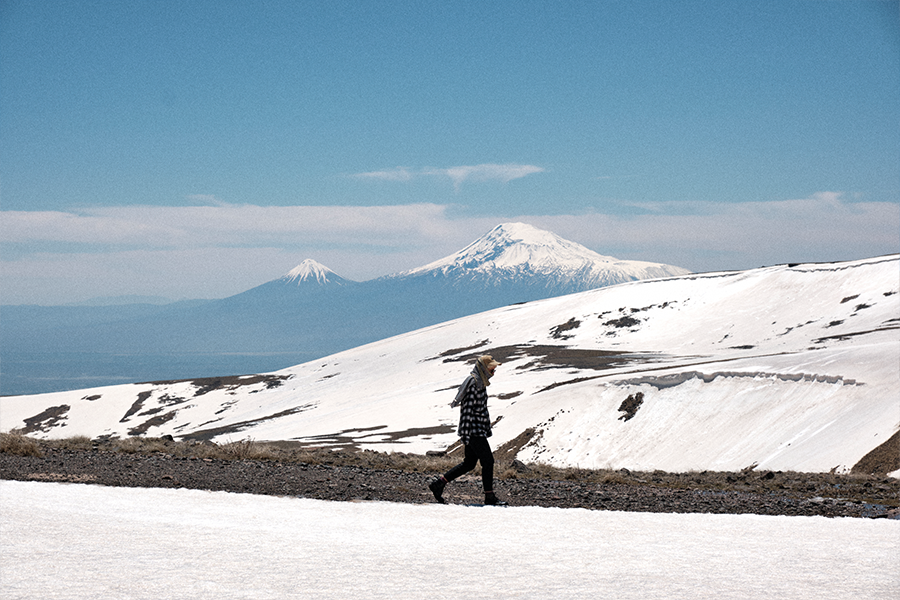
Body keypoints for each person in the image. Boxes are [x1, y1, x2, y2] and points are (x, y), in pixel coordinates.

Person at [429, 355, 507, 506]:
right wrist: (465, 435)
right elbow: (467, 411)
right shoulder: (475, 383)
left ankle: (439, 484)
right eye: (491, 368)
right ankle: (489, 497)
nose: (494, 370)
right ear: (483, 368)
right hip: (473, 431)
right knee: (488, 461)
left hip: (476, 430)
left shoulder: (480, 381)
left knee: (469, 463)